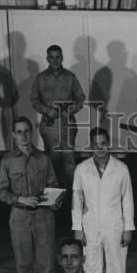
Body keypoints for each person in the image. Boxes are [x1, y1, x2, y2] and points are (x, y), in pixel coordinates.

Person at [0, 116, 59, 273]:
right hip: (19, 217)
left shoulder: (43, 158)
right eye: (19, 132)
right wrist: (19, 198)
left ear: (32, 133)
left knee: (46, 264)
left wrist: (54, 200)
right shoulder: (7, 161)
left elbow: (53, 184)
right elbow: (0, 191)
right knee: (23, 264)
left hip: (43, 216)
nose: (23, 135)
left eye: (26, 131)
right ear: (13, 135)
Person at [72, 127, 135, 273]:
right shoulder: (82, 169)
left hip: (115, 224)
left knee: (117, 266)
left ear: (109, 144)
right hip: (89, 225)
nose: (100, 148)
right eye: (96, 144)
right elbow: (77, 201)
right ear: (90, 146)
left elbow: (127, 199)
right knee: (91, 266)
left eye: (103, 143)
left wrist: (128, 228)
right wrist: (77, 228)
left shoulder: (121, 169)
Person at [30, 44, 85, 188]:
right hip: (49, 124)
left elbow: (80, 98)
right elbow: (34, 99)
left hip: (67, 123)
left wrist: (71, 110)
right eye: (52, 57)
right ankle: (55, 192)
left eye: (58, 57)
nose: (55, 61)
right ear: (47, 58)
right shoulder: (41, 78)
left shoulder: (70, 77)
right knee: (52, 159)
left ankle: (72, 193)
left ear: (62, 58)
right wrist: (47, 111)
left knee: (69, 160)